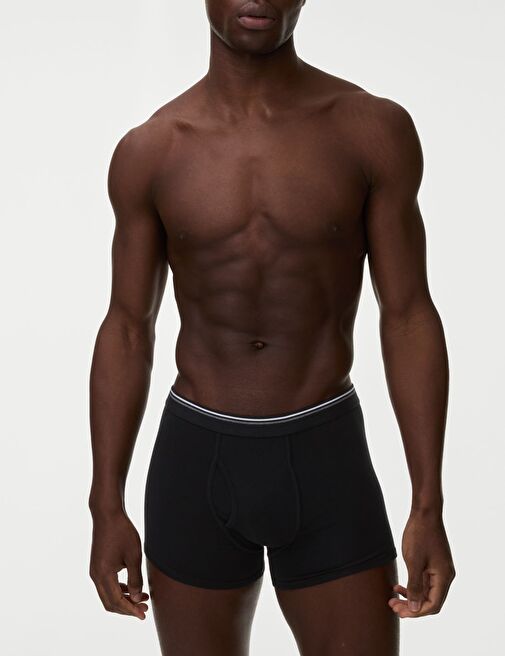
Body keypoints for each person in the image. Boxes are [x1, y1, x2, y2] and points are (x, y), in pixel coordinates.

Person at [88, 1, 456, 654]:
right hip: (196, 463)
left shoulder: (370, 130)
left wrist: (428, 503)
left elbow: (407, 314)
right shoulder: (151, 150)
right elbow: (126, 328)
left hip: (325, 455)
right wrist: (105, 505)